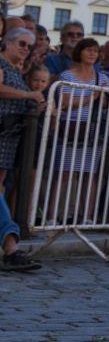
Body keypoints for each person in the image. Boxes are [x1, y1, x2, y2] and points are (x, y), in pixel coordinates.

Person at [51, 37, 109, 224]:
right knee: (63, 173)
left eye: (95, 50)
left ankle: (86, 217)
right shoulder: (67, 75)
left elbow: (106, 103)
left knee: (89, 174)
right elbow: (65, 102)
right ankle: (52, 216)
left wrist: (98, 97)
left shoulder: (102, 78)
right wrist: (92, 96)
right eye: (88, 49)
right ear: (80, 52)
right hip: (70, 126)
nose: (92, 53)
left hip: (92, 128)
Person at [0, 28, 45, 272]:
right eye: (21, 43)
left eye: (29, 46)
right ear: (6, 43)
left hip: (9, 138)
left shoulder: (15, 70)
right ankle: (11, 246)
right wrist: (28, 94)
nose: (26, 49)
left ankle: (10, 246)